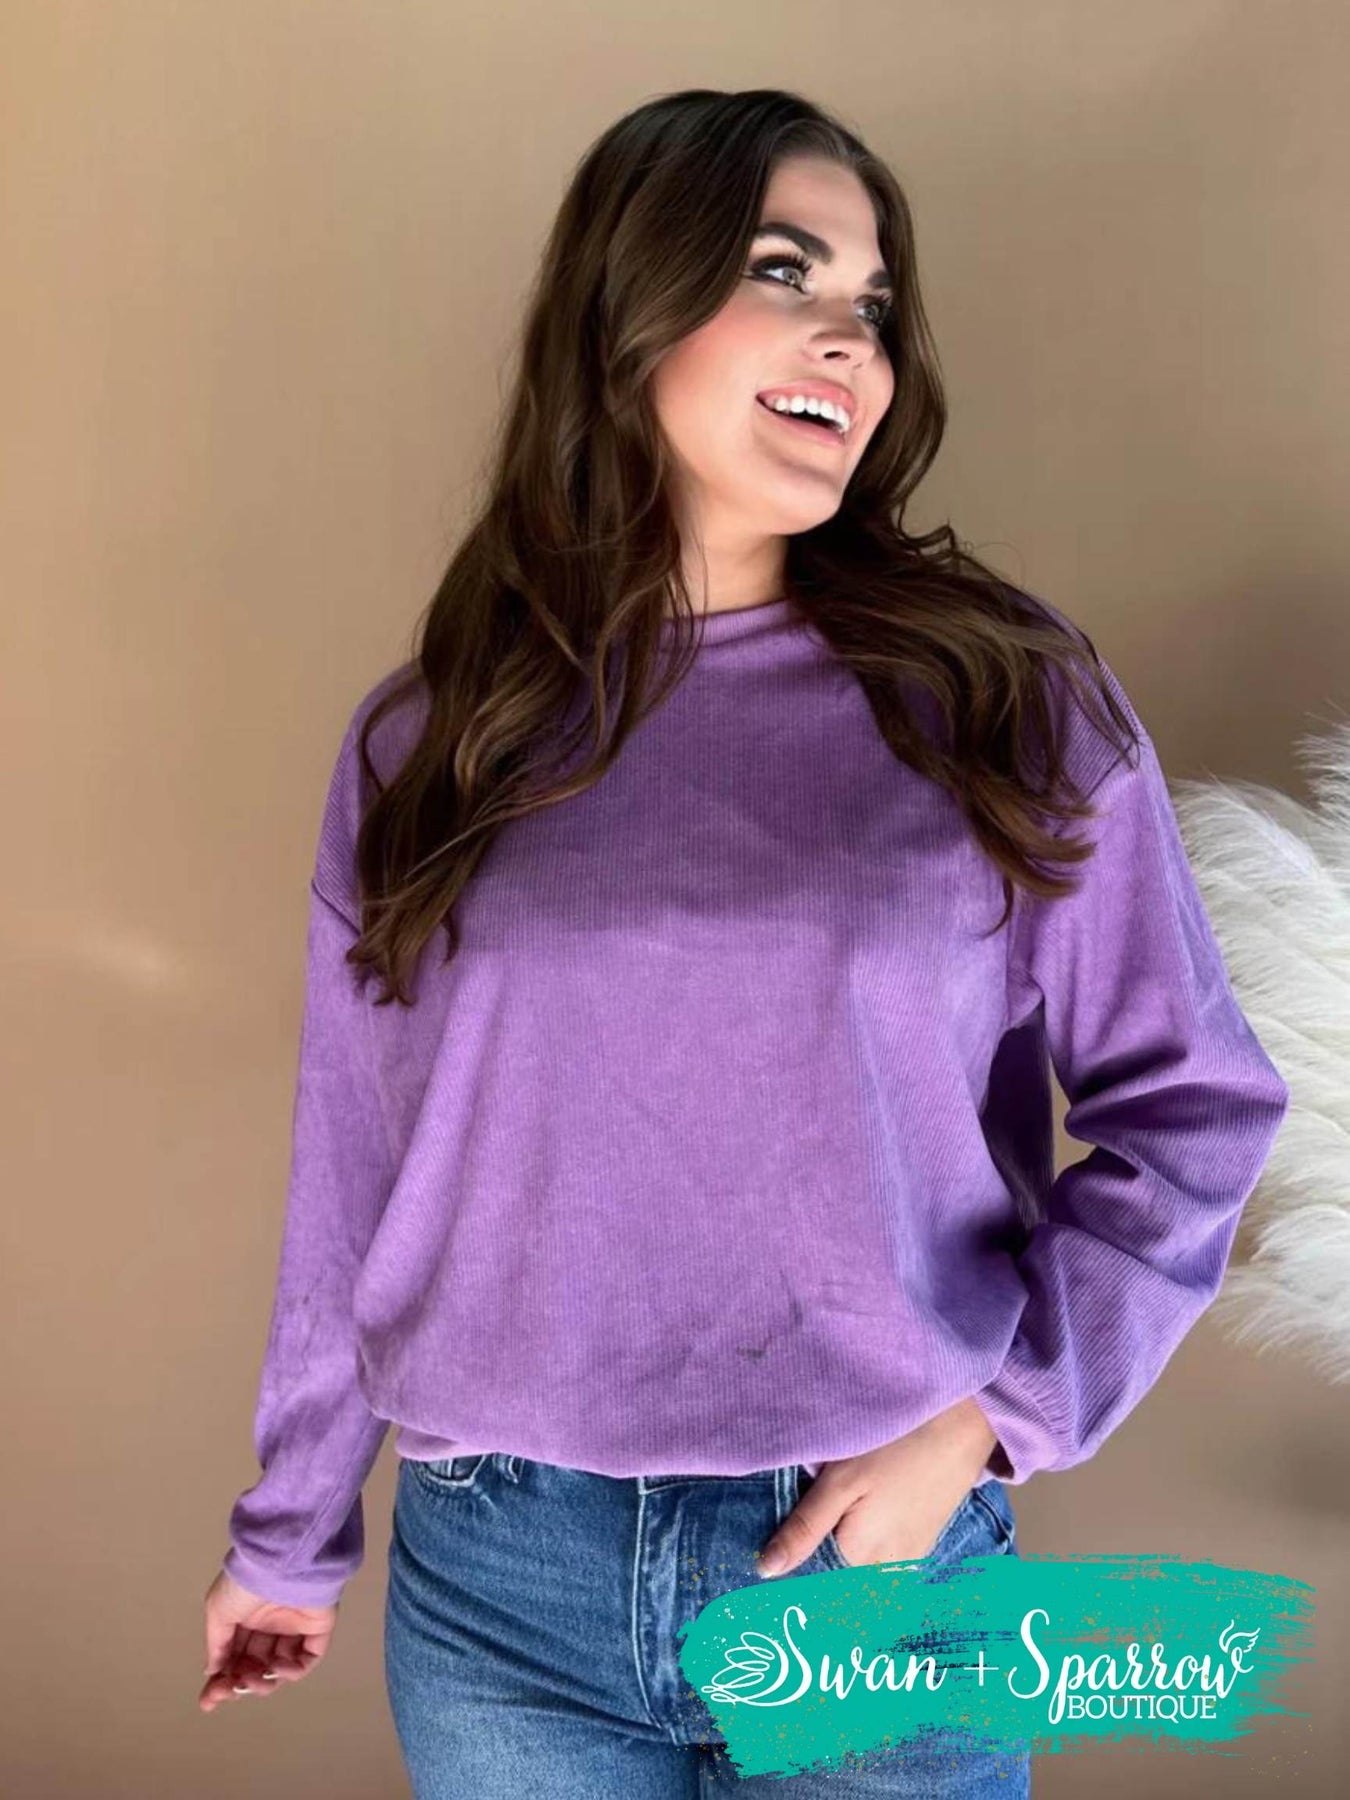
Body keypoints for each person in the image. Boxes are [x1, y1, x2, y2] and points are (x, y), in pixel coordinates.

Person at [198, 89, 1290, 1795]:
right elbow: (359, 1171)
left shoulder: (997, 700)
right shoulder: (436, 741)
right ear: (626, 306)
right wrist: (288, 1532)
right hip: (501, 1585)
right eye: (787, 273)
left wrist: (988, 1423)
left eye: (872, 304)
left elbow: (1194, 1104)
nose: (851, 342)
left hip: (876, 1576)